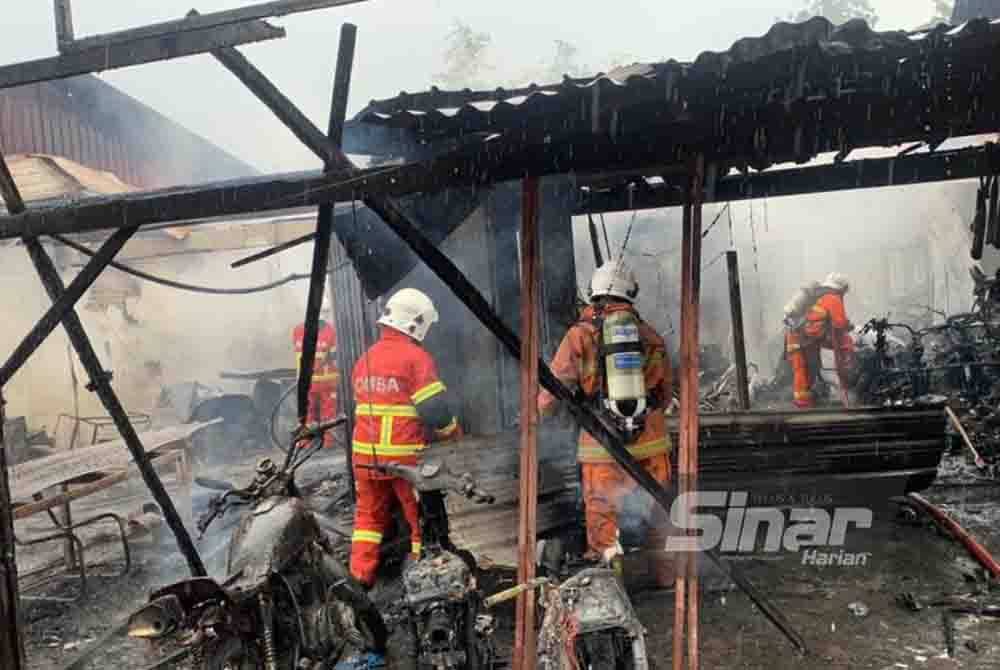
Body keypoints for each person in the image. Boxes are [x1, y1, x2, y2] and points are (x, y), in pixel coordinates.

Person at [537, 260, 675, 586]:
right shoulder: (650, 336)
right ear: (631, 294)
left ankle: (610, 576)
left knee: (602, 511)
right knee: (659, 507)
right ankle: (668, 575)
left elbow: (553, 390)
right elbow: (664, 394)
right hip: (651, 441)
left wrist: (539, 414)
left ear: (593, 293)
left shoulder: (579, 336)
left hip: (600, 443)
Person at [349, 288, 462, 588]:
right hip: (404, 461)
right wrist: (452, 433)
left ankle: (359, 581)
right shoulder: (416, 358)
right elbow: (434, 409)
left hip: (364, 459)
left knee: (368, 521)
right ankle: (421, 579)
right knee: (419, 520)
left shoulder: (365, 359)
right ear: (416, 323)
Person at [785, 272, 855, 409]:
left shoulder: (819, 295)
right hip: (801, 339)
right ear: (841, 288)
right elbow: (840, 323)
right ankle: (803, 404)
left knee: (809, 368)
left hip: (804, 338)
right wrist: (850, 326)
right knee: (802, 370)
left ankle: (808, 400)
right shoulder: (832, 298)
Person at [292, 307, 339, 447]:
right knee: (327, 414)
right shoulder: (330, 331)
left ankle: (306, 441)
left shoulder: (297, 331)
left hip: (309, 383)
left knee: (308, 413)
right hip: (326, 382)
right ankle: (328, 442)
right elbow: (336, 356)